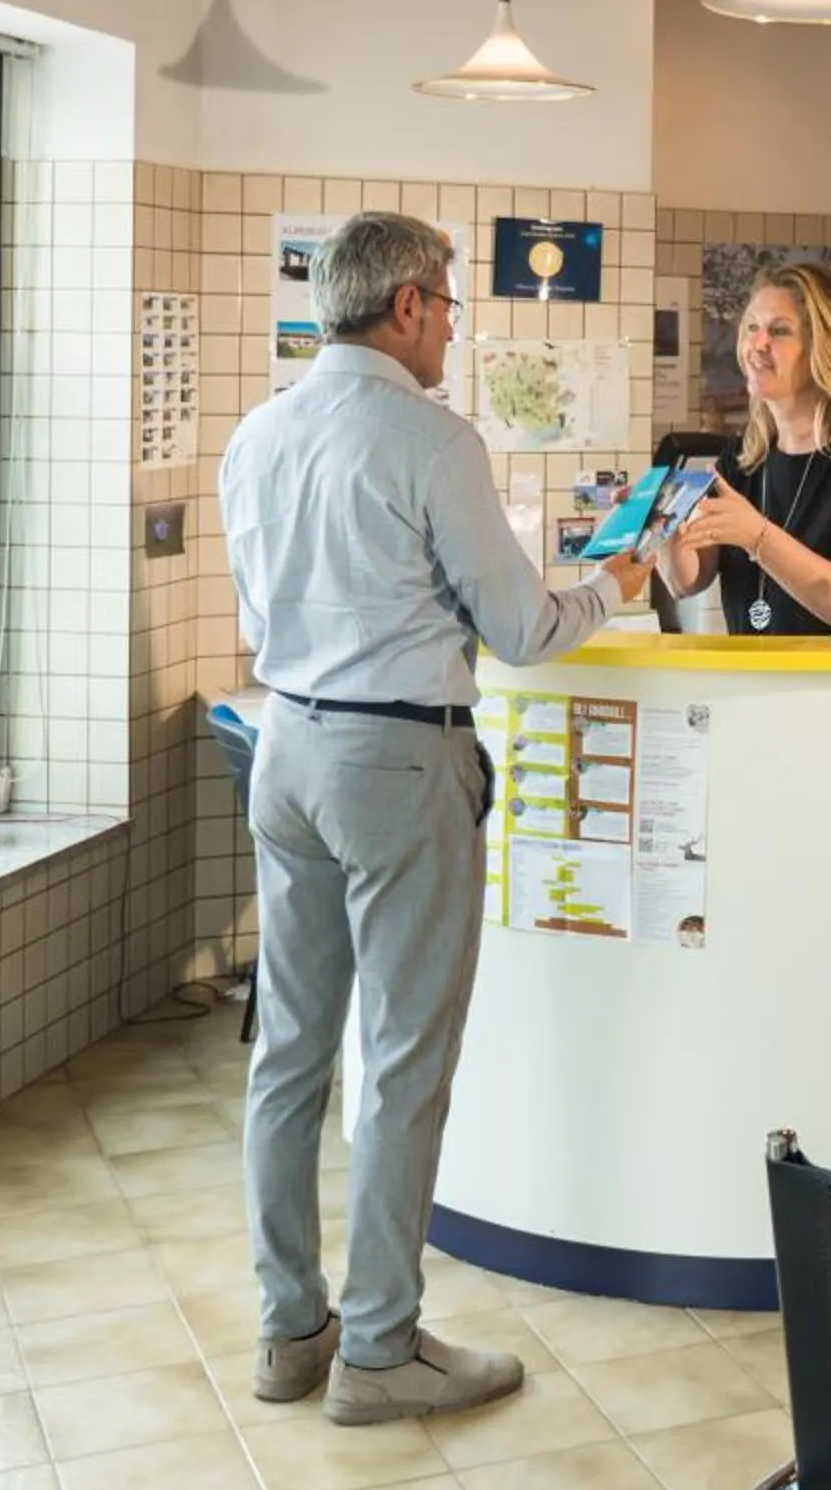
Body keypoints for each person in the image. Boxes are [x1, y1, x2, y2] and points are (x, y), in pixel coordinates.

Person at [223, 212, 650, 1426]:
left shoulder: (257, 436)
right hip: (399, 765)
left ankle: (288, 1329)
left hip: (287, 747)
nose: (458, 323)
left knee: (292, 1056)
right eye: (451, 301)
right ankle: (378, 1349)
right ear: (406, 304)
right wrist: (626, 577)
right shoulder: (430, 439)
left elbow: (270, 607)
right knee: (404, 1062)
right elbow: (522, 629)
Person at [657, 261, 831, 635]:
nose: (757, 344)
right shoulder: (743, 459)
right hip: (757, 687)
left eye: (780, 331)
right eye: (752, 327)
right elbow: (686, 580)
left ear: (829, 350)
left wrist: (757, 536)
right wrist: (661, 521)